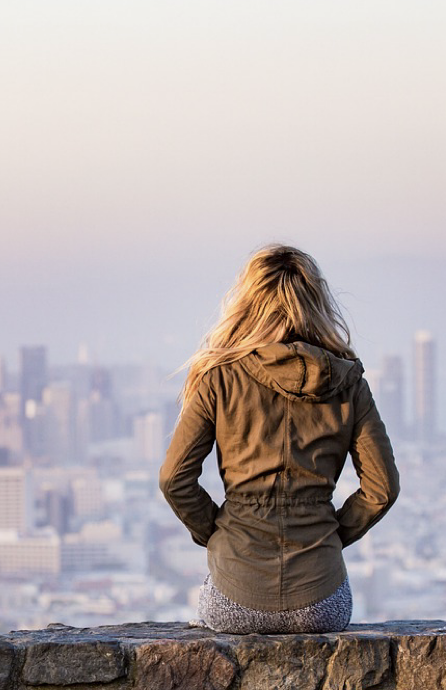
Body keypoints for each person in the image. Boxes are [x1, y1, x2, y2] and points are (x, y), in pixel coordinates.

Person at [159, 244, 399, 634]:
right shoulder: (349, 382)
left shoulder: (218, 378)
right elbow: (382, 489)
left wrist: (218, 533)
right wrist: (331, 535)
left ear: (247, 303)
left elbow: (174, 479)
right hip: (322, 601)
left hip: (235, 595)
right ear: (317, 302)